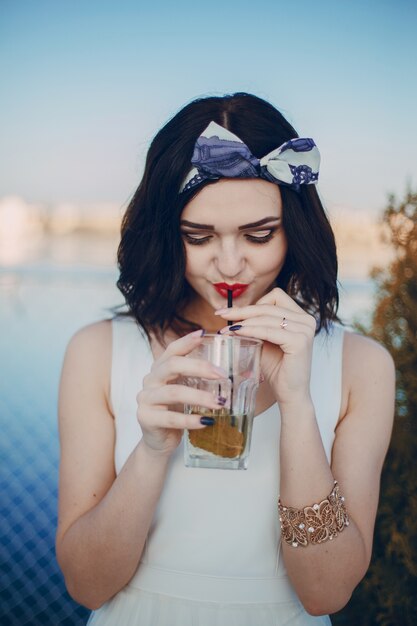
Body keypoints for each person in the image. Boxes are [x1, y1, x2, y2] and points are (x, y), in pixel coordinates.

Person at [56, 93, 395, 625]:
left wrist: (298, 405)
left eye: (260, 234)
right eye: (199, 236)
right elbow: (86, 584)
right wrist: (151, 449)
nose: (231, 263)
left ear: (295, 230)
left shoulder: (362, 367)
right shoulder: (98, 352)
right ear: (167, 233)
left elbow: (325, 593)